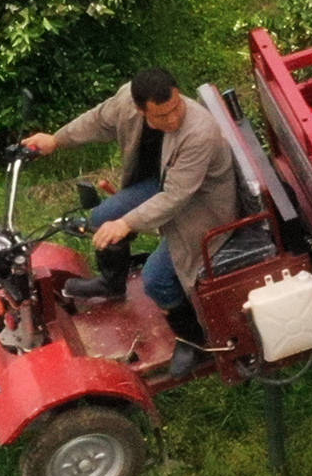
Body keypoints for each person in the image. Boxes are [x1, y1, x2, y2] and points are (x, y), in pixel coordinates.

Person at [18, 67, 241, 373]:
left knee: (157, 280)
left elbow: (175, 198)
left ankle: (194, 340)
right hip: (164, 184)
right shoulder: (127, 103)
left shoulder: (198, 132)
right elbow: (97, 120)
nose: (172, 119)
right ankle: (113, 283)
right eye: (161, 116)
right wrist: (56, 140)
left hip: (200, 210)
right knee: (103, 216)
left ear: (179, 94)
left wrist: (127, 223)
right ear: (139, 109)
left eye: (176, 108)